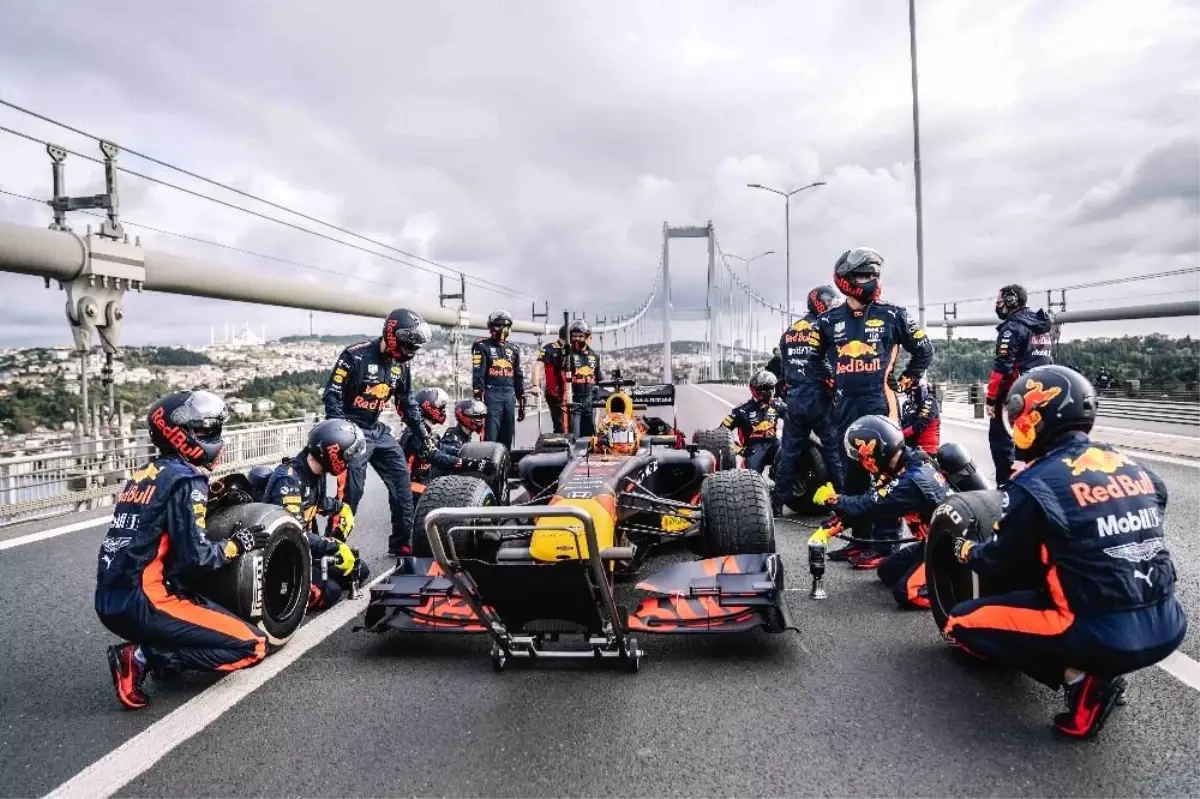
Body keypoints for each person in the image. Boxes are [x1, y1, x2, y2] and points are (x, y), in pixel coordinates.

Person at [945, 366, 1187, 739]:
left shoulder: (1033, 484)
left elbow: (998, 563)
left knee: (958, 623)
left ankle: (1080, 679)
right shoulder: (1138, 469)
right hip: (1169, 623)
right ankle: (1100, 661)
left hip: (1100, 633)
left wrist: (967, 551)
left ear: (1035, 417)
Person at [96, 390, 270, 710]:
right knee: (254, 646)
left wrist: (213, 501)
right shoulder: (187, 480)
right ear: (179, 435)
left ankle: (158, 647)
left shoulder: (144, 476)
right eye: (206, 431)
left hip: (111, 598)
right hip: (146, 601)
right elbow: (197, 558)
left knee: (193, 606)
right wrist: (237, 544)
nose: (214, 438)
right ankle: (143, 656)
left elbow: (158, 532)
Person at [807, 247, 934, 569]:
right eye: (864, 275)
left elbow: (924, 351)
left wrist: (907, 380)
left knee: (885, 477)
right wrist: (827, 382)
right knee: (850, 476)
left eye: (874, 274)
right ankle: (859, 541)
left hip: (881, 406)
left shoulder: (894, 314)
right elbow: (810, 359)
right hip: (844, 409)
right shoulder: (828, 320)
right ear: (845, 280)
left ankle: (885, 544)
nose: (871, 281)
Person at [323, 307, 432, 557]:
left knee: (402, 484)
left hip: (377, 430)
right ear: (393, 335)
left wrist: (424, 436)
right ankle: (332, 548)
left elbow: (407, 402)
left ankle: (402, 543)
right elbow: (332, 395)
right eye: (408, 343)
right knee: (351, 492)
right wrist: (342, 433)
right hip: (351, 431)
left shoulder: (400, 367)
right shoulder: (354, 356)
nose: (411, 350)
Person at [812, 415, 949, 608]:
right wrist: (830, 527)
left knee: (907, 593)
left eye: (861, 456)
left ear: (876, 451)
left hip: (949, 547)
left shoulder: (911, 480)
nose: (860, 462)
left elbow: (869, 505)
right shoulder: (906, 462)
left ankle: (959, 591)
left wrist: (832, 499)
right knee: (887, 571)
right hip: (929, 542)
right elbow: (871, 504)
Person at [263, 419, 368, 611]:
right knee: (329, 593)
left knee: (359, 570)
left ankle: (314, 571)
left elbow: (317, 502)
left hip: (304, 549)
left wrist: (341, 508)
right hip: (282, 554)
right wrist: (331, 546)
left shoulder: (317, 472)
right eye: (347, 455)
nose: (349, 460)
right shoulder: (289, 479)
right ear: (332, 453)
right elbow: (292, 533)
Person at [772, 285, 845, 515]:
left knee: (789, 452)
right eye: (830, 302)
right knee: (834, 450)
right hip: (819, 398)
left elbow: (784, 371)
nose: (833, 306)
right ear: (819, 302)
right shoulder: (825, 327)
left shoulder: (789, 332)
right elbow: (834, 364)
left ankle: (777, 501)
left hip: (794, 399)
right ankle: (845, 501)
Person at [987, 284, 1054, 484]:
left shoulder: (1012, 328)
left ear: (1011, 301)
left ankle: (1007, 490)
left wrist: (992, 400)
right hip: (1042, 394)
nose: (997, 306)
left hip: (1015, 398)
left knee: (1001, 445)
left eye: (999, 302)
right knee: (1032, 446)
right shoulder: (1041, 326)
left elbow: (1002, 369)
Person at [472, 309, 526, 450]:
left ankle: (505, 467)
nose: (502, 329)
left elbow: (518, 374)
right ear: (491, 327)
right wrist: (478, 400)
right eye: (498, 325)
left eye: (505, 325)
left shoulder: (513, 348)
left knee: (507, 436)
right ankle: (488, 468)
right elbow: (478, 374)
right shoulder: (482, 346)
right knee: (490, 436)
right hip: (491, 394)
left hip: (509, 395)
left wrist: (521, 399)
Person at [720, 370, 786, 476]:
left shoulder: (777, 404)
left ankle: (780, 480)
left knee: (789, 453)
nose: (769, 392)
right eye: (764, 389)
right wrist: (740, 450)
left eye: (771, 388)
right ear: (755, 390)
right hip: (753, 449)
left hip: (774, 444)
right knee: (750, 479)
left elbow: (794, 419)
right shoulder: (742, 410)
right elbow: (721, 435)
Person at [428, 398, 493, 480]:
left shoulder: (465, 435)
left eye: (482, 417)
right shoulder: (452, 440)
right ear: (464, 416)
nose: (482, 421)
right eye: (477, 417)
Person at [565, 320, 603, 438]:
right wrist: (564, 355)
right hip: (574, 400)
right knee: (575, 435)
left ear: (587, 337)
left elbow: (599, 378)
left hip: (590, 400)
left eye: (580, 336)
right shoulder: (567, 354)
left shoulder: (595, 356)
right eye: (574, 336)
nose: (577, 339)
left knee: (590, 435)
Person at [538, 324, 570, 434]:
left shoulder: (573, 350)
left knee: (572, 425)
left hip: (570, 392)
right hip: (554, 393)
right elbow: (538, 364)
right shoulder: (549, 348)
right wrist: (534, 385)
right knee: (560, 424)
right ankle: (561, 446)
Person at [900, 378, 941, 455]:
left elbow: (919, 426)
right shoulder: (908, 404)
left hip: (925, 450)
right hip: (909, 448)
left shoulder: (929, 402)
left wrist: (900, 434)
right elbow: (901, 422)